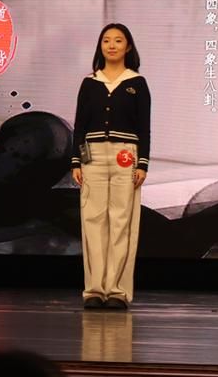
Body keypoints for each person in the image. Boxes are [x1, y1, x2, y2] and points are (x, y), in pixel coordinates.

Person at [71, 23, 150, 310]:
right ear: (100, 46)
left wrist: (142, 163)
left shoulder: (136, 83)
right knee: (92, 221)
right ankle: (94, 290)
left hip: (125, 156)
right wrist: (77, 160)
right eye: (106, 40)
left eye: (118, 40)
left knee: (121, 222)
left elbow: (144, 127)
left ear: (128, 47)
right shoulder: (89, 83)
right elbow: (80, 125)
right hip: (92, 157)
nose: (112, 45)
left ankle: (116, 291)